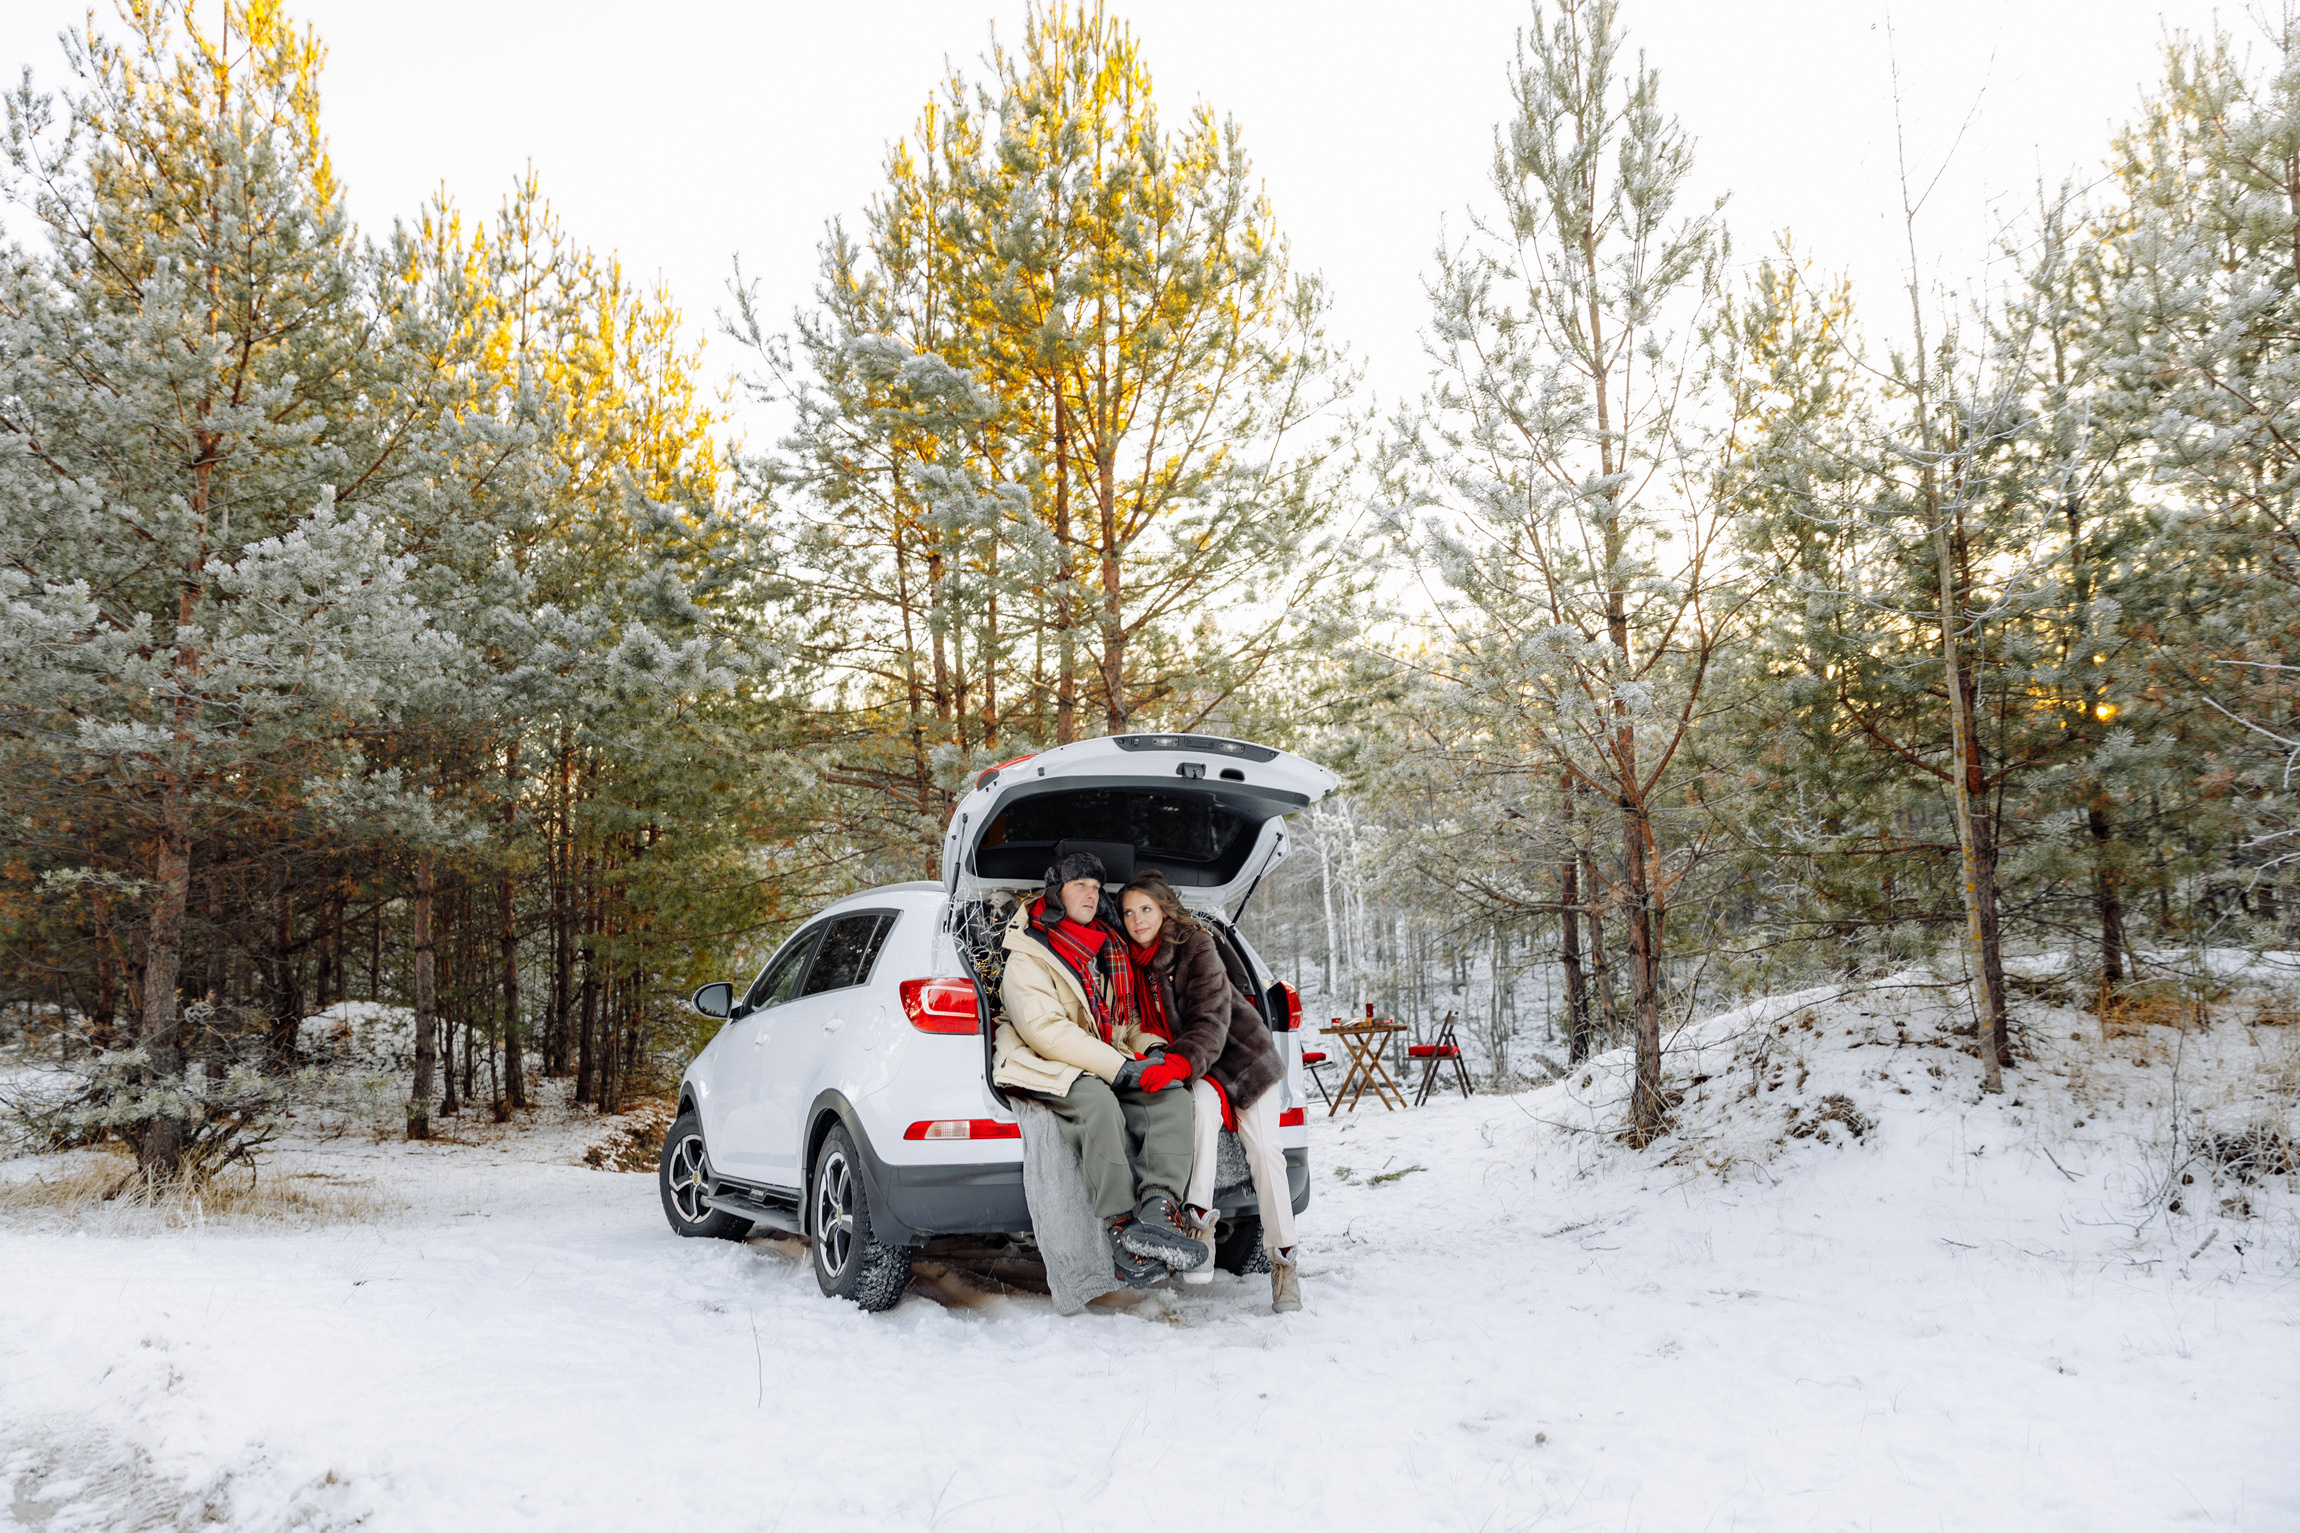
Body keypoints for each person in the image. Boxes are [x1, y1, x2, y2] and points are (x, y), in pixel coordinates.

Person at [994, 851, 1207, 1286]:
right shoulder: (1028, 951)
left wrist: (1154, 1050)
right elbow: (1046, 1031)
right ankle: (1122, 1229)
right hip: (1043, 1060)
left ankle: (1158, 1212)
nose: (1091, 894)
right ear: (1056, 891)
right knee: (1098, 1103)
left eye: (1095, 887)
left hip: (1099, 1054)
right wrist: (1118, 1069)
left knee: (1169, 1094)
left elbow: (1121, 1025)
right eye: (1080, 885)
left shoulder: (1105, 947)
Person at [1117, 870, 1302, 1313]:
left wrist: (1180, 1062)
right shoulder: (1127, 961)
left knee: (1265, 1150)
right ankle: (1199, 1225)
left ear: (1163, 909)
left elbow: (1212, 1019)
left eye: (1146, 909)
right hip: (1200, 1068)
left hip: (1241, 1060)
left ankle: (1284, 1262)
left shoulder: (1197, 945)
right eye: (1128, 913)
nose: (1138, 920)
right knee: (1197, 1109)